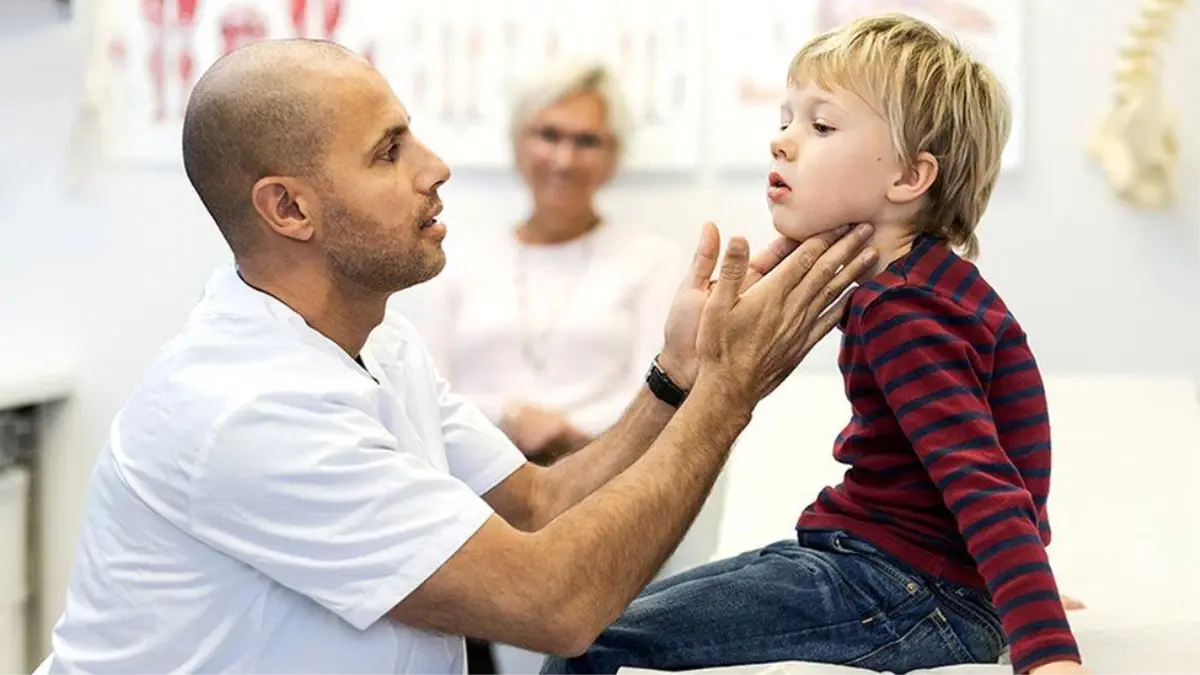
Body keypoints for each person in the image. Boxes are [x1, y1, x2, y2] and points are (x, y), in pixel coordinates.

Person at [40, 39, 879, 675]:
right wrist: (727, 396)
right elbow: (553, 602)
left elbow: (538, 505)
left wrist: (678, 379)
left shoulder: (376, 342)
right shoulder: (248, 408)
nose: (436, 168)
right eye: (390, 150)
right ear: (289, 206)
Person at [542, 14, 1089, 675]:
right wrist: (1004, 582)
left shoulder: (903, 309)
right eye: (785, 120)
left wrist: (1042, 643)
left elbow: (983, 478)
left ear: (911, 177)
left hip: (902, 587)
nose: (782, 143)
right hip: (894, 567)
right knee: (601, 612)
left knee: (587, 639)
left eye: (821, 126)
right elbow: (1006, 445)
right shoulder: (929, 283)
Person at [414, 59, 683, 466]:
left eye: (587, 141)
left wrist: (566, 431)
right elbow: (425, 392)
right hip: (471, 487)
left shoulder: (654, 261)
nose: (564, 159)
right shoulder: (460, 261)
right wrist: (509, 416)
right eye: (549, 135)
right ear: (518, 141)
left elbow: (658, 393)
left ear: (614, 156)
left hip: (601, 479)